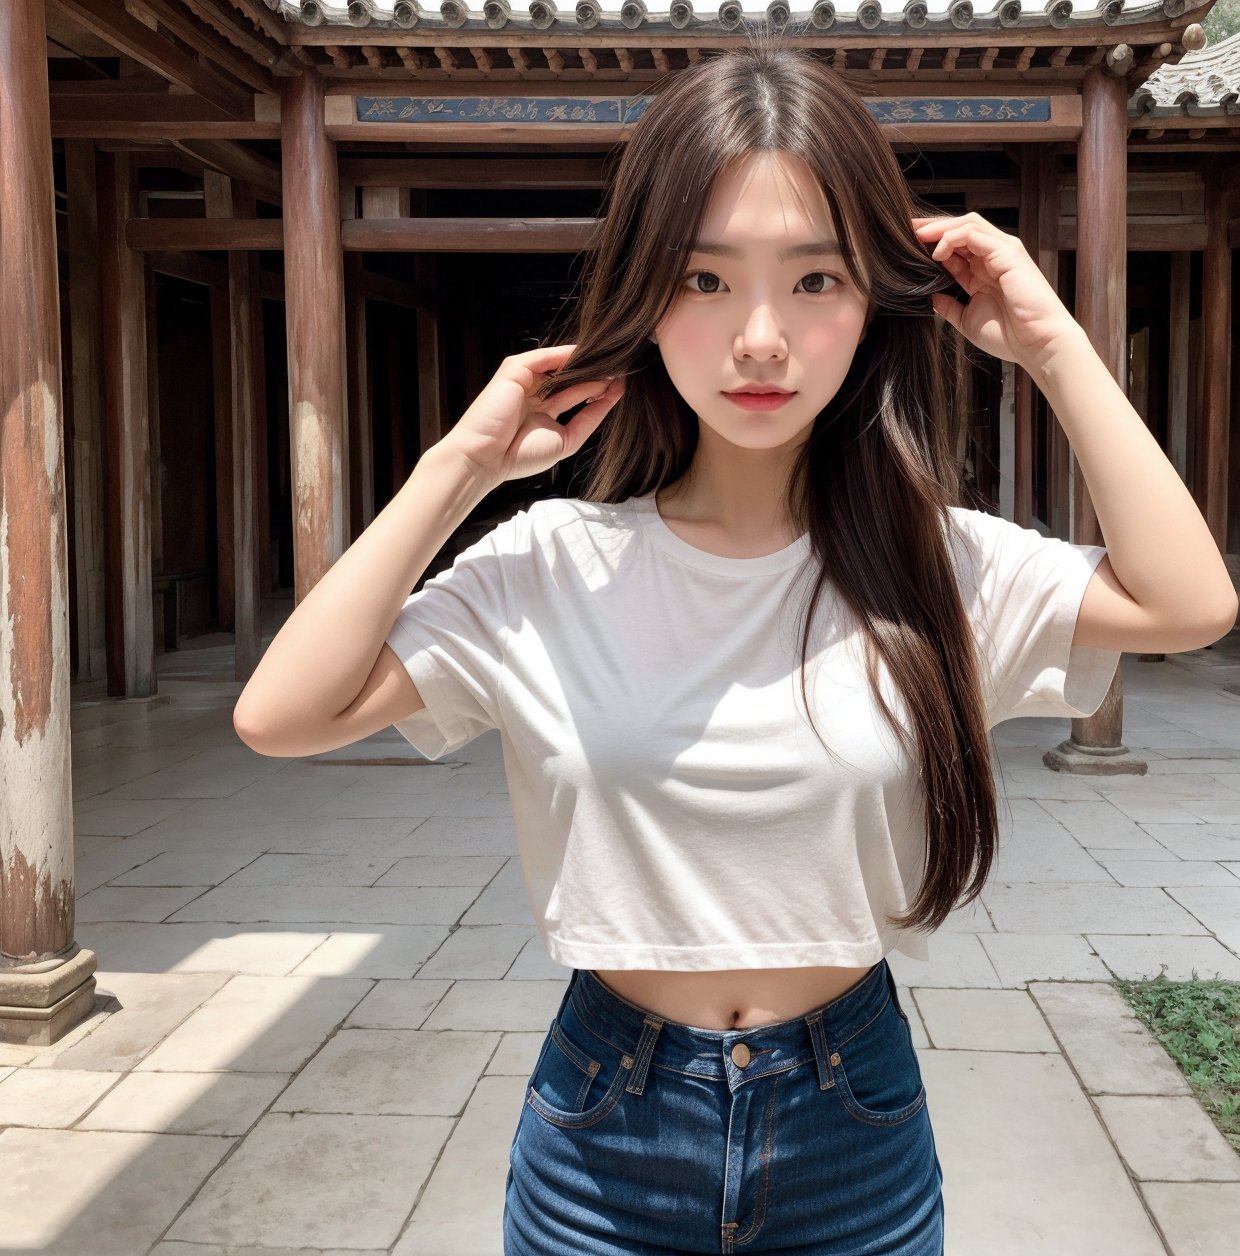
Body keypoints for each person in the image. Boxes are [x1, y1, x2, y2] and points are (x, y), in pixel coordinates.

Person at [234, 37, 1238, 1256]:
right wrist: (460, 468)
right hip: (605, 1125)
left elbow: (1189, 602)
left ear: (872, 301)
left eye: (814, 280)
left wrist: (1050, 343)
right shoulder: (553, 561)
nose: (759, 337)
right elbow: (280, 714)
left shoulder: (937, 562)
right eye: (705, 280)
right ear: (644, 296)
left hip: (851, 1117)